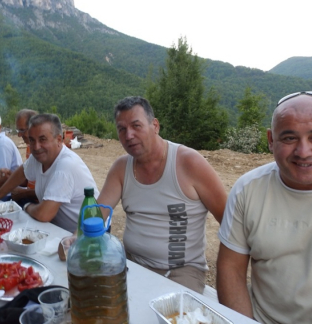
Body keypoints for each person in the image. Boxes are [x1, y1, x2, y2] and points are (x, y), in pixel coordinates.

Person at [217, 91, 312, 324]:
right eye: (289, 138)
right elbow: (230, 269)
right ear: (271, 140)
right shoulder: (248, 189)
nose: (303, 152)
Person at [95, 96, 227, 293]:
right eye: (121, 129)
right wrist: (75, 238)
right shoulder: (121, 168)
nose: (128, 135)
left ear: (155, 126)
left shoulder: (188, 163)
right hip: (132, 263)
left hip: (180, 271)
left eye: (136, 126)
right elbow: (97, 215)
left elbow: (229, 220)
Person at [0, 113, 98, 233]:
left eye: (42, 139)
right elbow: (22, 172)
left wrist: (26, 206)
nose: (36, 147)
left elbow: (43, 214)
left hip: (87, 234)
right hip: (59, 229)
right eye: (32, 140)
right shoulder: (39, 158)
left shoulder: (65, 166)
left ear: (59, 140)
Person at [5, 109, 38, 203]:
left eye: (22, 130)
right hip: (31, 199)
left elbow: (49, 193)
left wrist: (24, 193)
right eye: (18, 130)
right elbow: (27, 181)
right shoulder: (29, 148)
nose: (19, 135)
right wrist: (10, 175)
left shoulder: (45, 152)